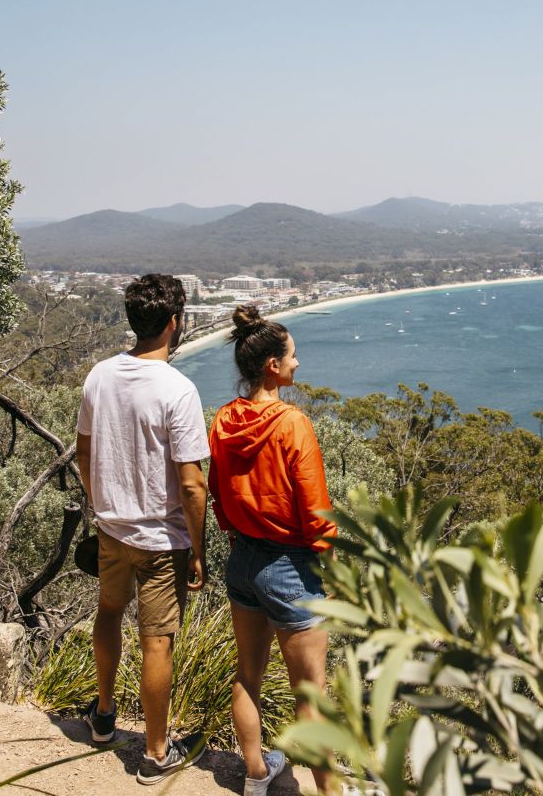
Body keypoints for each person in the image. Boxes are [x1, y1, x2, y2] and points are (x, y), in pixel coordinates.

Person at [75, 274, 210, 785]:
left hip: (111, 529)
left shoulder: (99, 376)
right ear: (175, 323)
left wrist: (102, 503)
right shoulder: (178, 390)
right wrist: (197, 550)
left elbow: (86, 453)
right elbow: (193, 484)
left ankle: (104, 715)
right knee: (158, 642)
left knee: (109, 612)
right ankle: (156, 754)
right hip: (161, 539)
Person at [208, 305, 340, 796]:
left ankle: (256, 775)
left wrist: (232, 531)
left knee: (248, 675)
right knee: (312, 696)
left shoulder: (224, 420)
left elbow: (217, 488)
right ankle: (328, 791)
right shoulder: (292, 424)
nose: (297, 363)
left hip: (242, 560)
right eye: (293, 355)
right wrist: (328, 563)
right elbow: (314, 508)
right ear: (271, 366)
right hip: (290, 567)